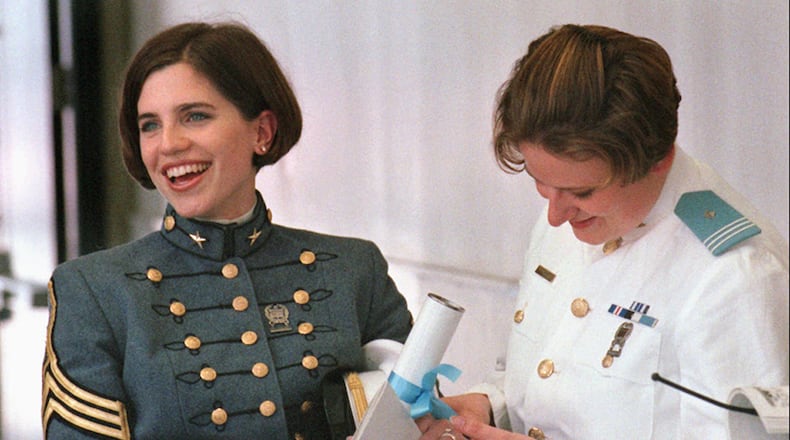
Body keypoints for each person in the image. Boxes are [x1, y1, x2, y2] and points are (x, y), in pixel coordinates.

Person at [41, 21, 412, 439]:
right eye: (149, 125)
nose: (168, 144)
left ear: (262, 132)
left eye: (194, 116)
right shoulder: (92, 290)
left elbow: (420, 421)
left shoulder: (354, 270)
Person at [418, 24, 789, 439]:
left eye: (582, 191)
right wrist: (487, 406)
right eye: (539, 181)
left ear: (657, 159)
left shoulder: (732, 276)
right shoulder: (571, 212)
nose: (554, 215)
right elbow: (556, 375)